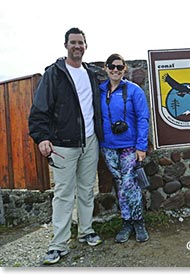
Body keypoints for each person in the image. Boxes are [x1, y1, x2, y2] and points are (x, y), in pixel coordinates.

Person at [28, 27, 104, 265]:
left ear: (86, 46)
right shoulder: (54, 74)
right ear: (66, 46)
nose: (77, 46)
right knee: (62, 194)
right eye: (73, 42)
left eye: (81, 42)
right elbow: (39, 108)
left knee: (86, 190)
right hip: (63, 145)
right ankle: (58, 244)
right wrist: (41, 137)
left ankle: (86, 231)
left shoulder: (90, 73)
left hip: (89, 141)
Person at [99, 53, 150, 243]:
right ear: (105, 67)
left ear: (124, 70)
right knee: (120, 184)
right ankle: (126, 221)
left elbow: (143, 118)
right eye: (112, 66)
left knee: (129, 183)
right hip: (108, 146)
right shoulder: (100, 91)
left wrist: (141, 146)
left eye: (119, 67)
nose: (115, 70)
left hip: (129, 146)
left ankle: (138, 221)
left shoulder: (134, 90)